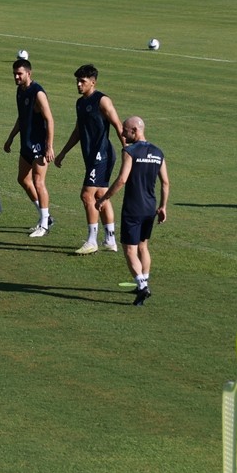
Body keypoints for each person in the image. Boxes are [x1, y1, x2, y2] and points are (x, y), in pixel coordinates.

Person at [53, 64, 123, 254]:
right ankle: (110, 240)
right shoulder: (80, 103)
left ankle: (92, 241)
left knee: (86, 195)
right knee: (101, 195)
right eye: (77, 81)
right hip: (91, 154)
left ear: (93, 82)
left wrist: (128, 150)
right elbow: (78, 131)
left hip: (103, 154)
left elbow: (117, 125)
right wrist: (63, 152)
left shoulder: (103, 101)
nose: (78, 84)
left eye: (82, 81)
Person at [100, 117, 169, 306]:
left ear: (135, 130)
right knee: (143, 246)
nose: (122, 134)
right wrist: (162, 206)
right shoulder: (158, 152)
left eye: (125, 130)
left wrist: (104, 198)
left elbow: (122, 179)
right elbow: (165, 182)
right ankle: (143, 281)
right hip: (150, 207)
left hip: (133, 207)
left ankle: (142, 286)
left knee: (129, 249)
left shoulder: (130, 151)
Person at [3, 57, 56, 237]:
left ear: (28, 73)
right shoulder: (20, 91)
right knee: (22, 179)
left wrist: (49, 147)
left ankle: (44, 224)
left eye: (19, 74)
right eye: (14, 74)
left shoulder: (37, 93)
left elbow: (49, 119)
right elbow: (22, 117)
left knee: (38, 181)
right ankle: (46, 217)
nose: (16, 77)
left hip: (39, 145)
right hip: (25, 143)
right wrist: (10, 138)